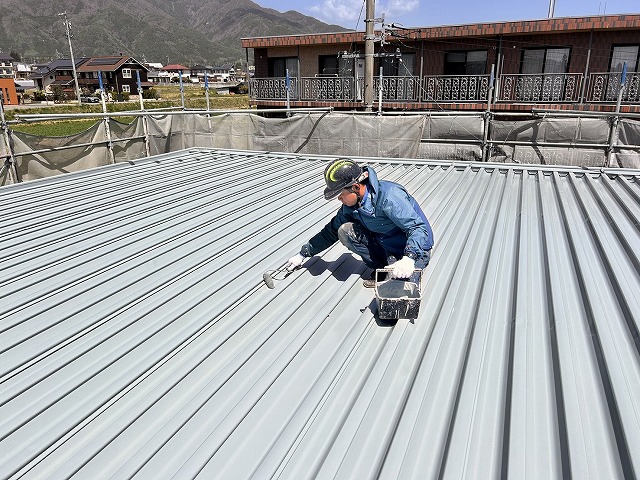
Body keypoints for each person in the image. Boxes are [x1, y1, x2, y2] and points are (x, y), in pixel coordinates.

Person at [285, 158, 434, 287]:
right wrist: (303, 254)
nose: (339, 199)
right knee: (345, 230)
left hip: (415, 249)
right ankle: (381, 269)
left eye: (340, 194)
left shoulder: (389, 197)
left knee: (400, 292)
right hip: (388, 246)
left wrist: (409, 257)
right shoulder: (351, 207)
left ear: (356, 187)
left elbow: (417, 228)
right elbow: (330, 232)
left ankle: (403, 267)